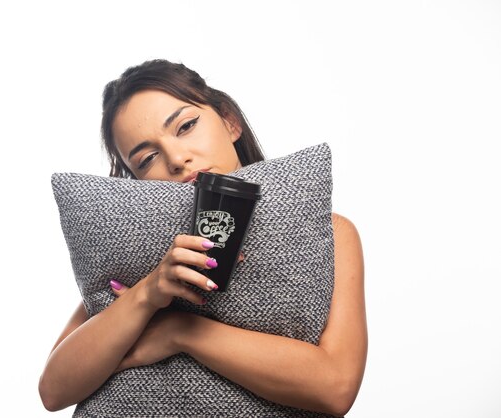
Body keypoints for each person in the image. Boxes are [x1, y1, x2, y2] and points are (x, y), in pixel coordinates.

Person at [38, 59, 367, 417]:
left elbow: (335, 388)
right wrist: (148, 294)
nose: (177, 159)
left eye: (186, 126)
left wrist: (180, 331)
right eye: (147, 159)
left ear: (229, 121)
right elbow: (54, 392)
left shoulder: (329, 232)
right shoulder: (140, 253)